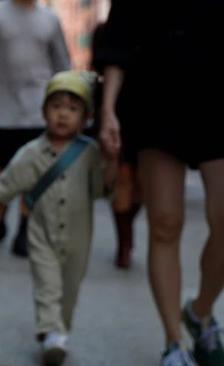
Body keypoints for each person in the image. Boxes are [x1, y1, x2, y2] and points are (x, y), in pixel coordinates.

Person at [95, 0, 224, 366]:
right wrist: (109, 110)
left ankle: (199, 311)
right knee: (165, 223)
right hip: (157, 95)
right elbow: (120, 37)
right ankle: (173, 342)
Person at [0, 71, 116, 366]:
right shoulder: (31, 153)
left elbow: (101, 189)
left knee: (70, 288)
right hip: (41, 233)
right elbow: (9, 182)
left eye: (72, 109)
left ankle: (58, 331)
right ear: (43, 112)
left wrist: (112, 161)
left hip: (79, 237)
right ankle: (52, 332)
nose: (63, 114)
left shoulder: (90, 154)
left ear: (86, 117)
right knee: (47, 284)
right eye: (56, 106)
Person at [0, 0, 71, 256]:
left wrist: (64, 106)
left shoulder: (50, 19)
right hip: (1, 110)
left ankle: (25, 230)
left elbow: (62, 65)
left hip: (38, 113)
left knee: (35, 174)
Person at [88, 21, 142, 270]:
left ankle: (127, 227)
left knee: (142, 185)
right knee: (122, 180)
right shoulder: (106, 30)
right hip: (116, 110)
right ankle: (124, 242)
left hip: (150, 113)